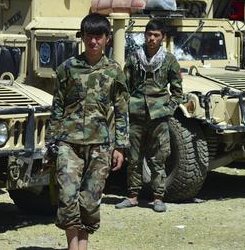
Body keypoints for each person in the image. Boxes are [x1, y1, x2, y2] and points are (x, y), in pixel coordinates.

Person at [45, 13, 129, 250]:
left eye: (98, 37)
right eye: (89, 36)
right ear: (82, 37)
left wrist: (120, 146)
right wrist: (51, 144)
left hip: (100, 144)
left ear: (107, 39)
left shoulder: (114, 71)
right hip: (68, 144)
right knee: (68, 197)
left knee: (90, 201)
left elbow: (122, 111)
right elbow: (57, 109)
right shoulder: (67, 69)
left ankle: (83, 246)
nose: (93, 42)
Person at [116, 19, 182, 212]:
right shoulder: (135, 58)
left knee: (159, 157)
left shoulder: (169, 60)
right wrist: (127, 105)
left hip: (158, 116)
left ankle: (158, 197)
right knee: (133, 157)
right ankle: (133, 196)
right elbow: (124, 85)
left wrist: (167, 109)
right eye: (149, 34)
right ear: (144, 35)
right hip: (136, 114)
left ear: (162, 37)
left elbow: (178, 92)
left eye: (156, 35)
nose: (152, 39)